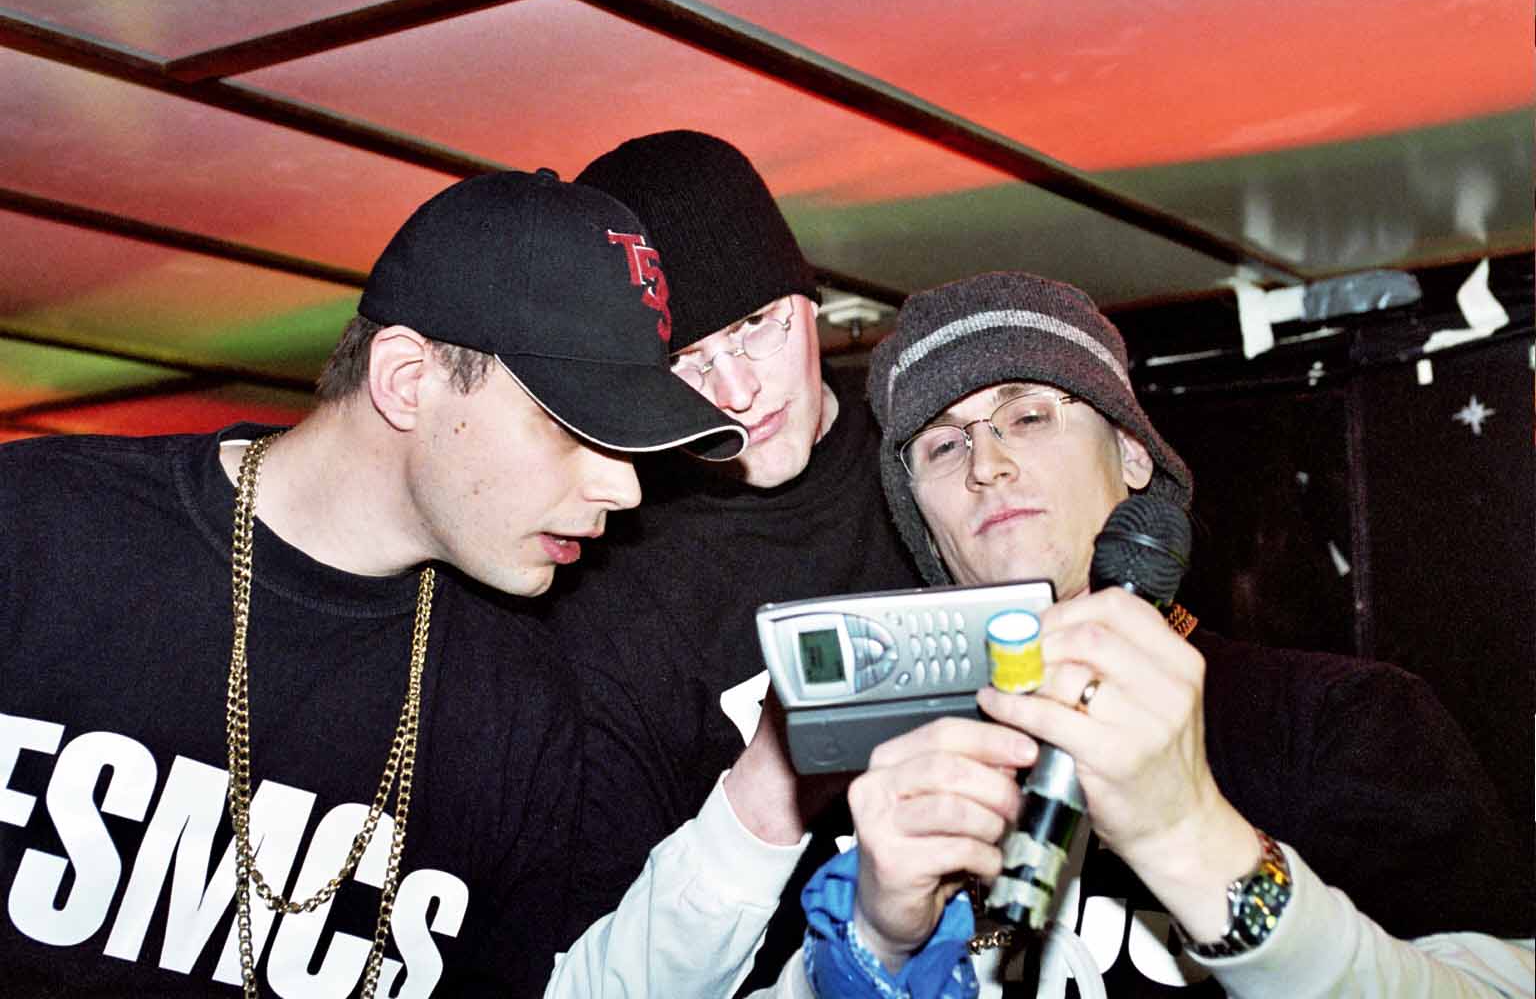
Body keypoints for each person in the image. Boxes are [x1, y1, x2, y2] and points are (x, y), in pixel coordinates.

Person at [0, 168, 760, 996]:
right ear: (406, 380)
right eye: (575, 428)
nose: (625, 488)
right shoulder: (36, 528)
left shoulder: (517, 700)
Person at [789, 271, 1534, 997]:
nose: (987, 463)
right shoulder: (890, 770)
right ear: (923, 525)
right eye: (943, 446)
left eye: (1028, 416)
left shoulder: (1339, 719)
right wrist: (877, 950)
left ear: (1133, 452)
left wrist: (1188, 836)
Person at [539, 130, 922, 985]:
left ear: (809, 300)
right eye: (684, 360)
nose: (737, 394)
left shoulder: (935, 460)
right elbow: (615, 955)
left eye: (757, 325)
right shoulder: (612, 591)